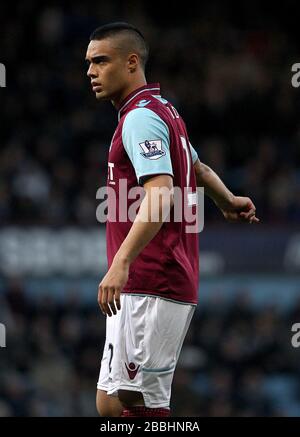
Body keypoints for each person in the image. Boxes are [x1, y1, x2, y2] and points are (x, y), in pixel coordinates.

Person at [85, 22, 259, 418]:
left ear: (132, 63)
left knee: (141, 404)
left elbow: (161, 193)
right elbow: (194, 166)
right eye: (89, 64)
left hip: (153, 277)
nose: (90, 72)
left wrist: (121, 262)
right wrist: (227, 199)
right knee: (111, 403)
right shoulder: (162, 111)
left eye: (100, 61)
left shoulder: (139, 119)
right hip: (146, 283)